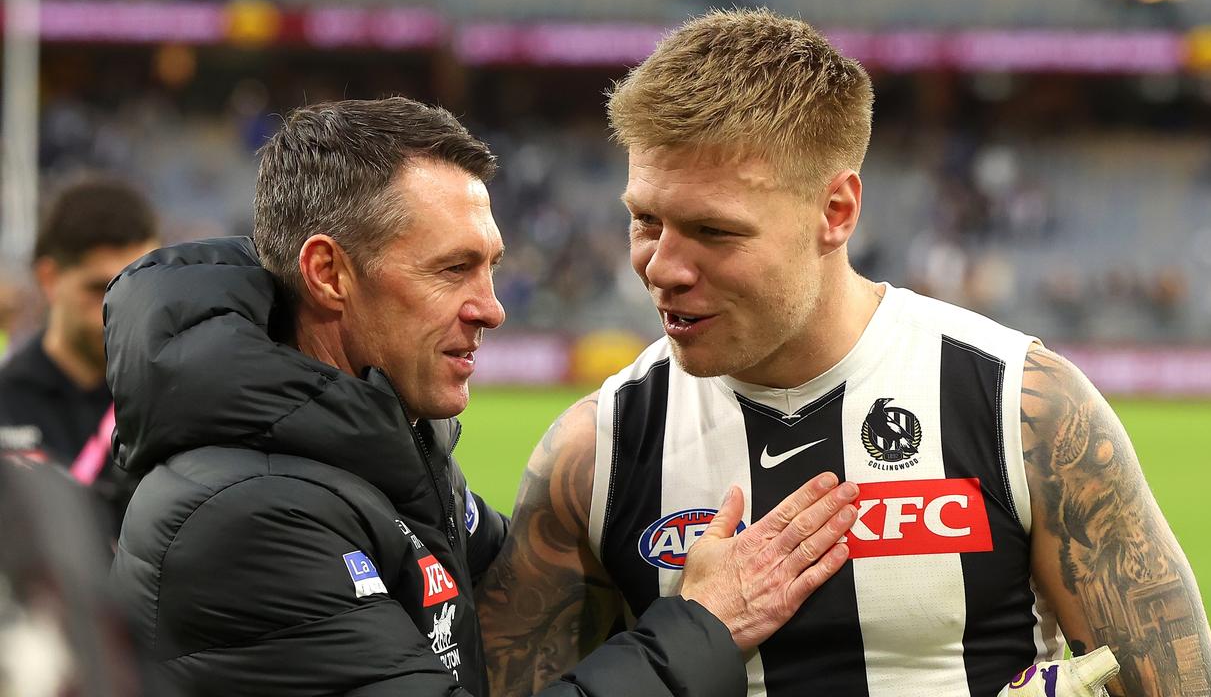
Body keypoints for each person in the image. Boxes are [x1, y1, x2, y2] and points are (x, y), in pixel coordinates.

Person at [477, 9, 1211, 697]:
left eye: (714, 231)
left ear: (835, 211)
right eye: (645, 220)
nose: (661, 266)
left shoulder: (1023, 410)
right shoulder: (594, 454)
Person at [103, 97, 859, 697]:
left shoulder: (375, 443)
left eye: (491, 266)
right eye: (452, 269)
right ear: (330, 274)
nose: (491, 308)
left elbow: (522, 582)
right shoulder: (246, 517)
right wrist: (704, 625)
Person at [0, 176, 159, 531]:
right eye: (100, 288)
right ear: (49, 278)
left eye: (141, 283)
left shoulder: (173, 404)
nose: (122, 308)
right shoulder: (6, 403)